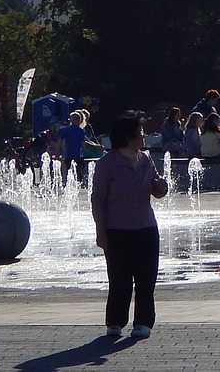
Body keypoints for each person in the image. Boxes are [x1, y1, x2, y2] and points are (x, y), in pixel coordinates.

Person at [91, 114, 168, 339]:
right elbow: (98, 199)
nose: (143, 135)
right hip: (117, 230)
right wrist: (100, 231)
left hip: (146, 228)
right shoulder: (107, 164)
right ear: (128, 136)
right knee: (119, 279)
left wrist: (161, 186)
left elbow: (157, 189)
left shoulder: (145, 159)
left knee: (146, 278)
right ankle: (115, 321)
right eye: (140, 131)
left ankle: (143, 322)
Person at [60, 109, 90, 186]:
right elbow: (82, 143)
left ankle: (67, 184)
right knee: (80, 169)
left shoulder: (66, 130)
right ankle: (80, 183)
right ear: (79, 120)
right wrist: (85, 150)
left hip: (68, 154)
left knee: (68, 168)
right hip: (78, 154)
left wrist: (58, 151)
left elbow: (60, 141)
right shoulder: (81, 131)